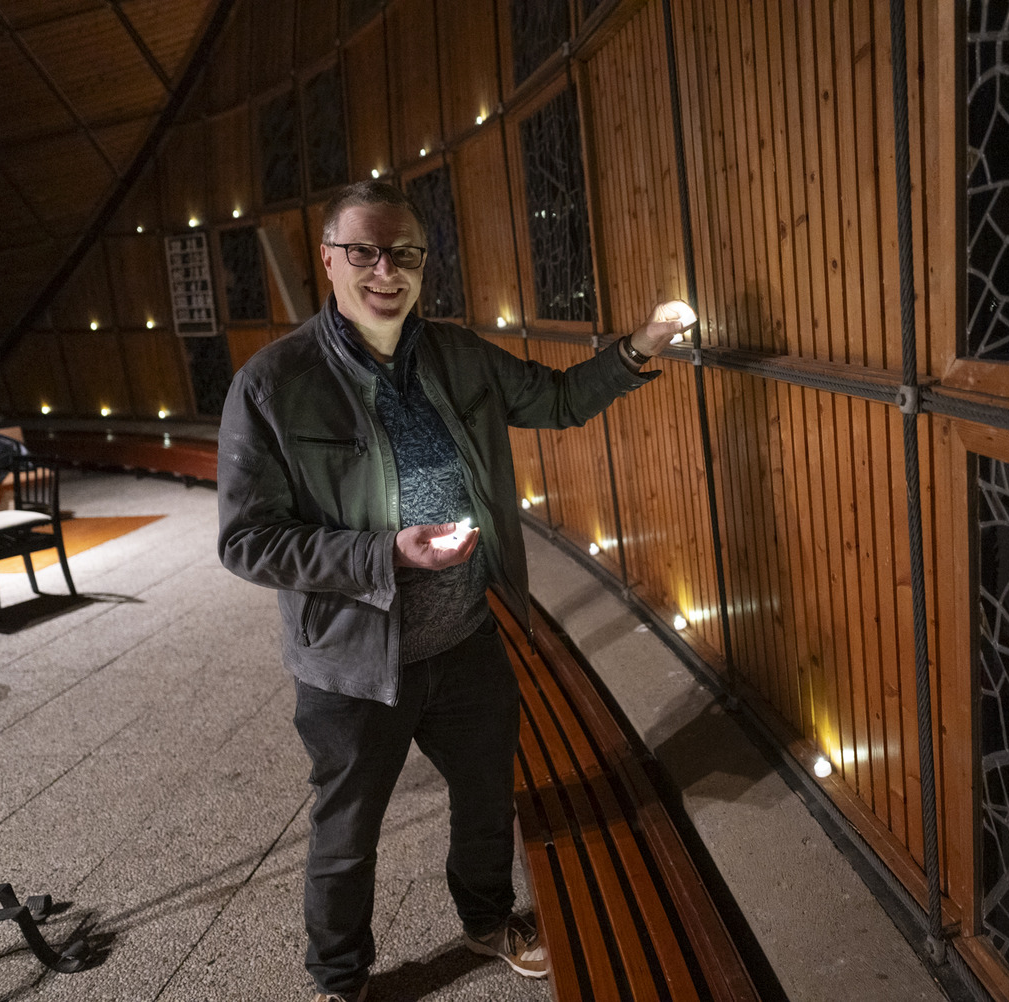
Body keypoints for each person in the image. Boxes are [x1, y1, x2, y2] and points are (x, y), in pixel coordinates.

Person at [216, 179, 688, 1002]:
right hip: (354, 668)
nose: (385, 270)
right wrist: (383, 554)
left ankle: (486, 920)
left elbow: (558, 400)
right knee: (346, 835)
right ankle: (340, 978)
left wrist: (641, 345)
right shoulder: (273, 383)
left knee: (486, 799)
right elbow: (246, 542)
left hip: (466, 640)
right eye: (364, 251)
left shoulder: (456, 354)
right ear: (327, 259)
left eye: (404, 253)